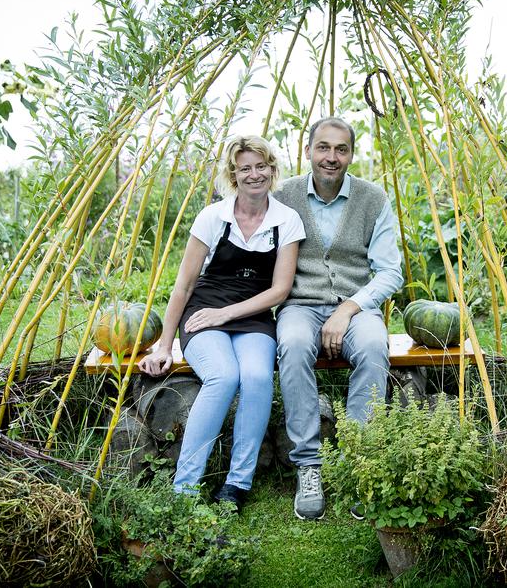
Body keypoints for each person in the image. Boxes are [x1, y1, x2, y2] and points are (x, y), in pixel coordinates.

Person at [139, 135, 305, 512]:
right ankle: (184, 486)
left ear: (272, 170)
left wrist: (228, 313)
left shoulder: (286, 221)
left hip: (254, 319)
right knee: (224, 376)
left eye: (261, 166)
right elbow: (182, 286)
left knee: (258, 377)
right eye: (245, 167)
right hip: (202, 315)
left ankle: (236, 483)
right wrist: (165, 344)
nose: (254, 174)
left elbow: (279, 291)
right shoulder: (213, 217)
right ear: (233, 174)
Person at [273, 116, 404, 520]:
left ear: (351, 154)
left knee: (371, 345)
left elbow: (390, 271)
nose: (332, 157)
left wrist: (348, 308)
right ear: (308, 150)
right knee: (293, 345)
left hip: (357, 304)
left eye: (341, 149)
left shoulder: (372, 199)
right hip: (300, 304)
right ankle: (308, 463)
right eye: (323, 148)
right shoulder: (283, 195)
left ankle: (358, 463)